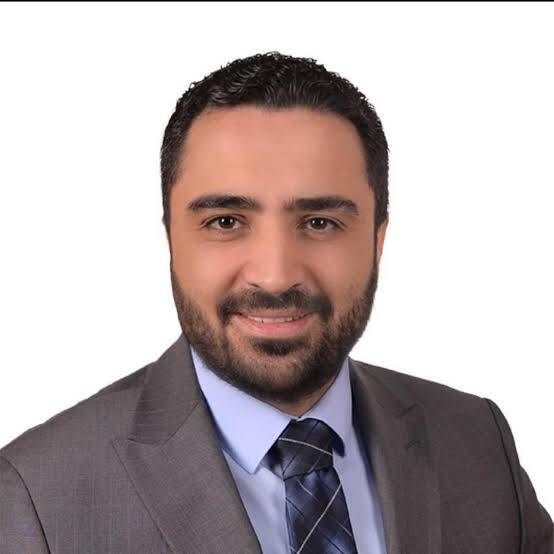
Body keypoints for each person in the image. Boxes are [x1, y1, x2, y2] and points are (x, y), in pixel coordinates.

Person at [0, 51, 551, 554]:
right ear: (171, 239)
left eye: (320, 222)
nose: (275, 275)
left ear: (377, 240)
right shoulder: (37, 497)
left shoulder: (477, 440)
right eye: (226, 222)